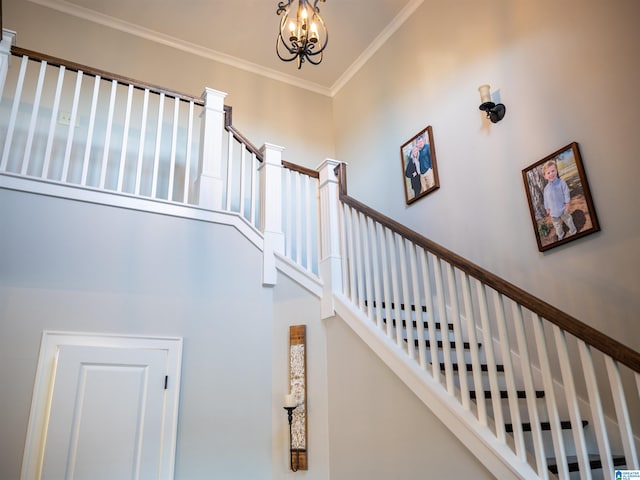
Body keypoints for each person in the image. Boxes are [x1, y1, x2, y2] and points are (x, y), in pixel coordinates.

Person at [542, 159, 577, 240]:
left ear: (556, 171)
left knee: (568, 220)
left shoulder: (561, 182)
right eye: (548, 173)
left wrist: (567, 203)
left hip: (563, 208)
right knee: (557, 225)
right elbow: (546, 200)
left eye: (553, 171)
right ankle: (560, 235)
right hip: (553, 212)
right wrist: (547, 208)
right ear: (545, 176)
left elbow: (566, 193)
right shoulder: (546, 189)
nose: (551, 174)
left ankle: (573, 231)